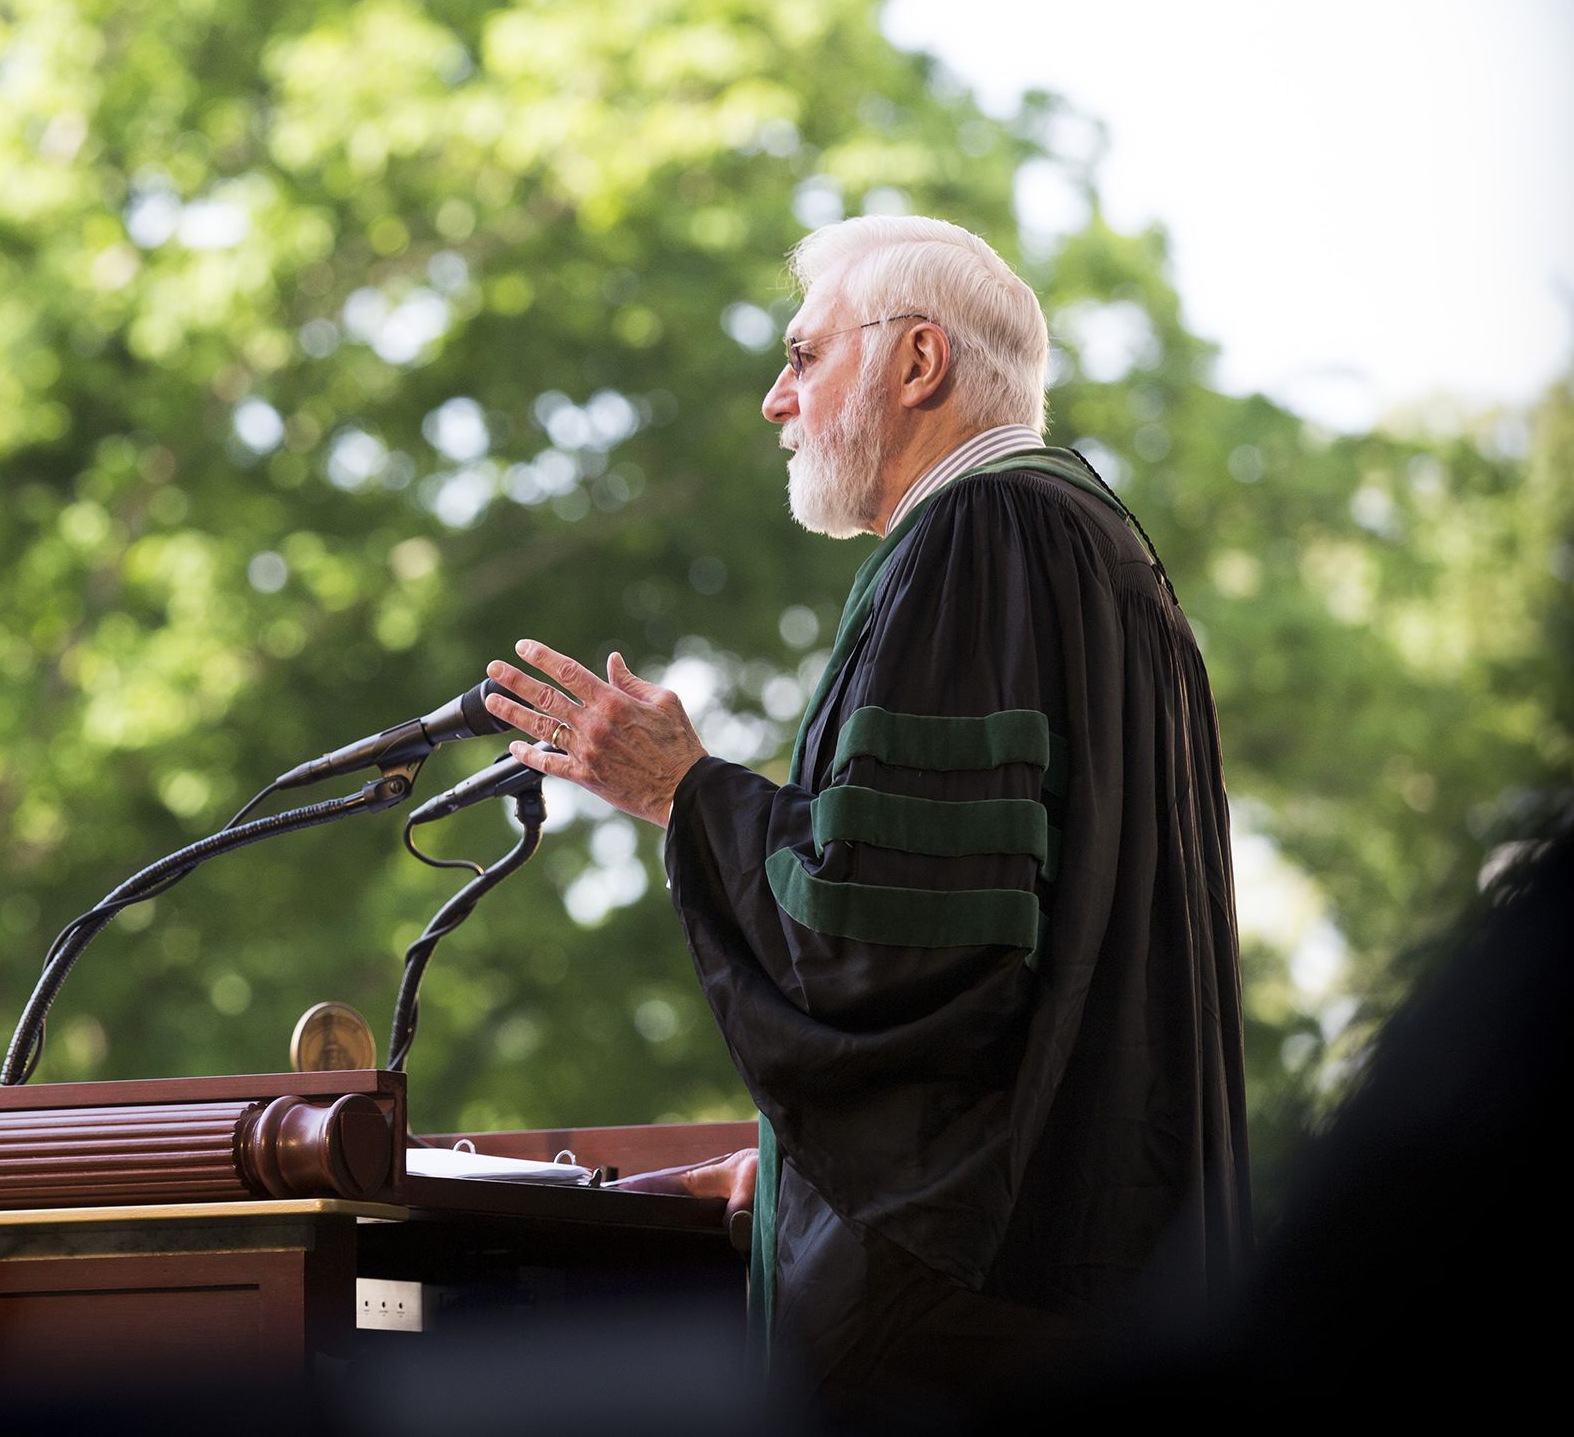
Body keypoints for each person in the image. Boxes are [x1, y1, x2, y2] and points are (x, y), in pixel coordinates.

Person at [481, 215, 1249, 1410]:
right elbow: (996, 964)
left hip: (968, 1308)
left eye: (801, 355)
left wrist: (685, 791)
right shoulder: (1100, 552)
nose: (774, 401)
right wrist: (799, 1171)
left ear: (917, 362)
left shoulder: (978, 537)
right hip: (1086, 1255)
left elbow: (891, 943)